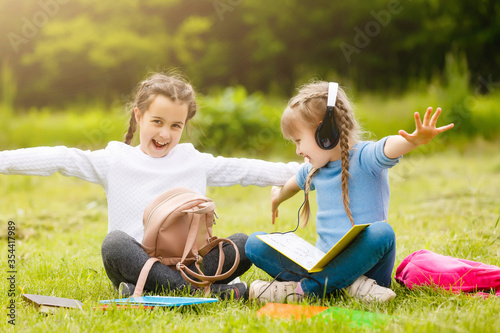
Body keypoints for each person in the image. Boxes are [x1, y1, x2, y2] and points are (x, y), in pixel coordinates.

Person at [0, 72, 300, 299]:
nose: (165, 133)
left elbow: (246, 169)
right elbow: (60, 159)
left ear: (184, 125)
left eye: (175, 125)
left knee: (243, 242)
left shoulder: (193, 160)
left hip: (190, 265)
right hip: (137, 263)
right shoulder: (115, 160)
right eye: (157, 121)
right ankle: (203, 292)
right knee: (114, 243)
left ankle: (154, 292)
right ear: (139, 115)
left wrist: (306, 172)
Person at [245, 81, 454, 303]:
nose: (298, 150)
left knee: (382, 232)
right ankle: (348, 286)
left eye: (298, 141)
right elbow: (293, 185)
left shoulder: (365, 157)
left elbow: (387, 148)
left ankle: (302, 290)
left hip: (369, 269)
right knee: (255, 242)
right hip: (324, 263)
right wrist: (277, 198)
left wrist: (412, 140)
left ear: (324, 133)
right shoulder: (314, 169)